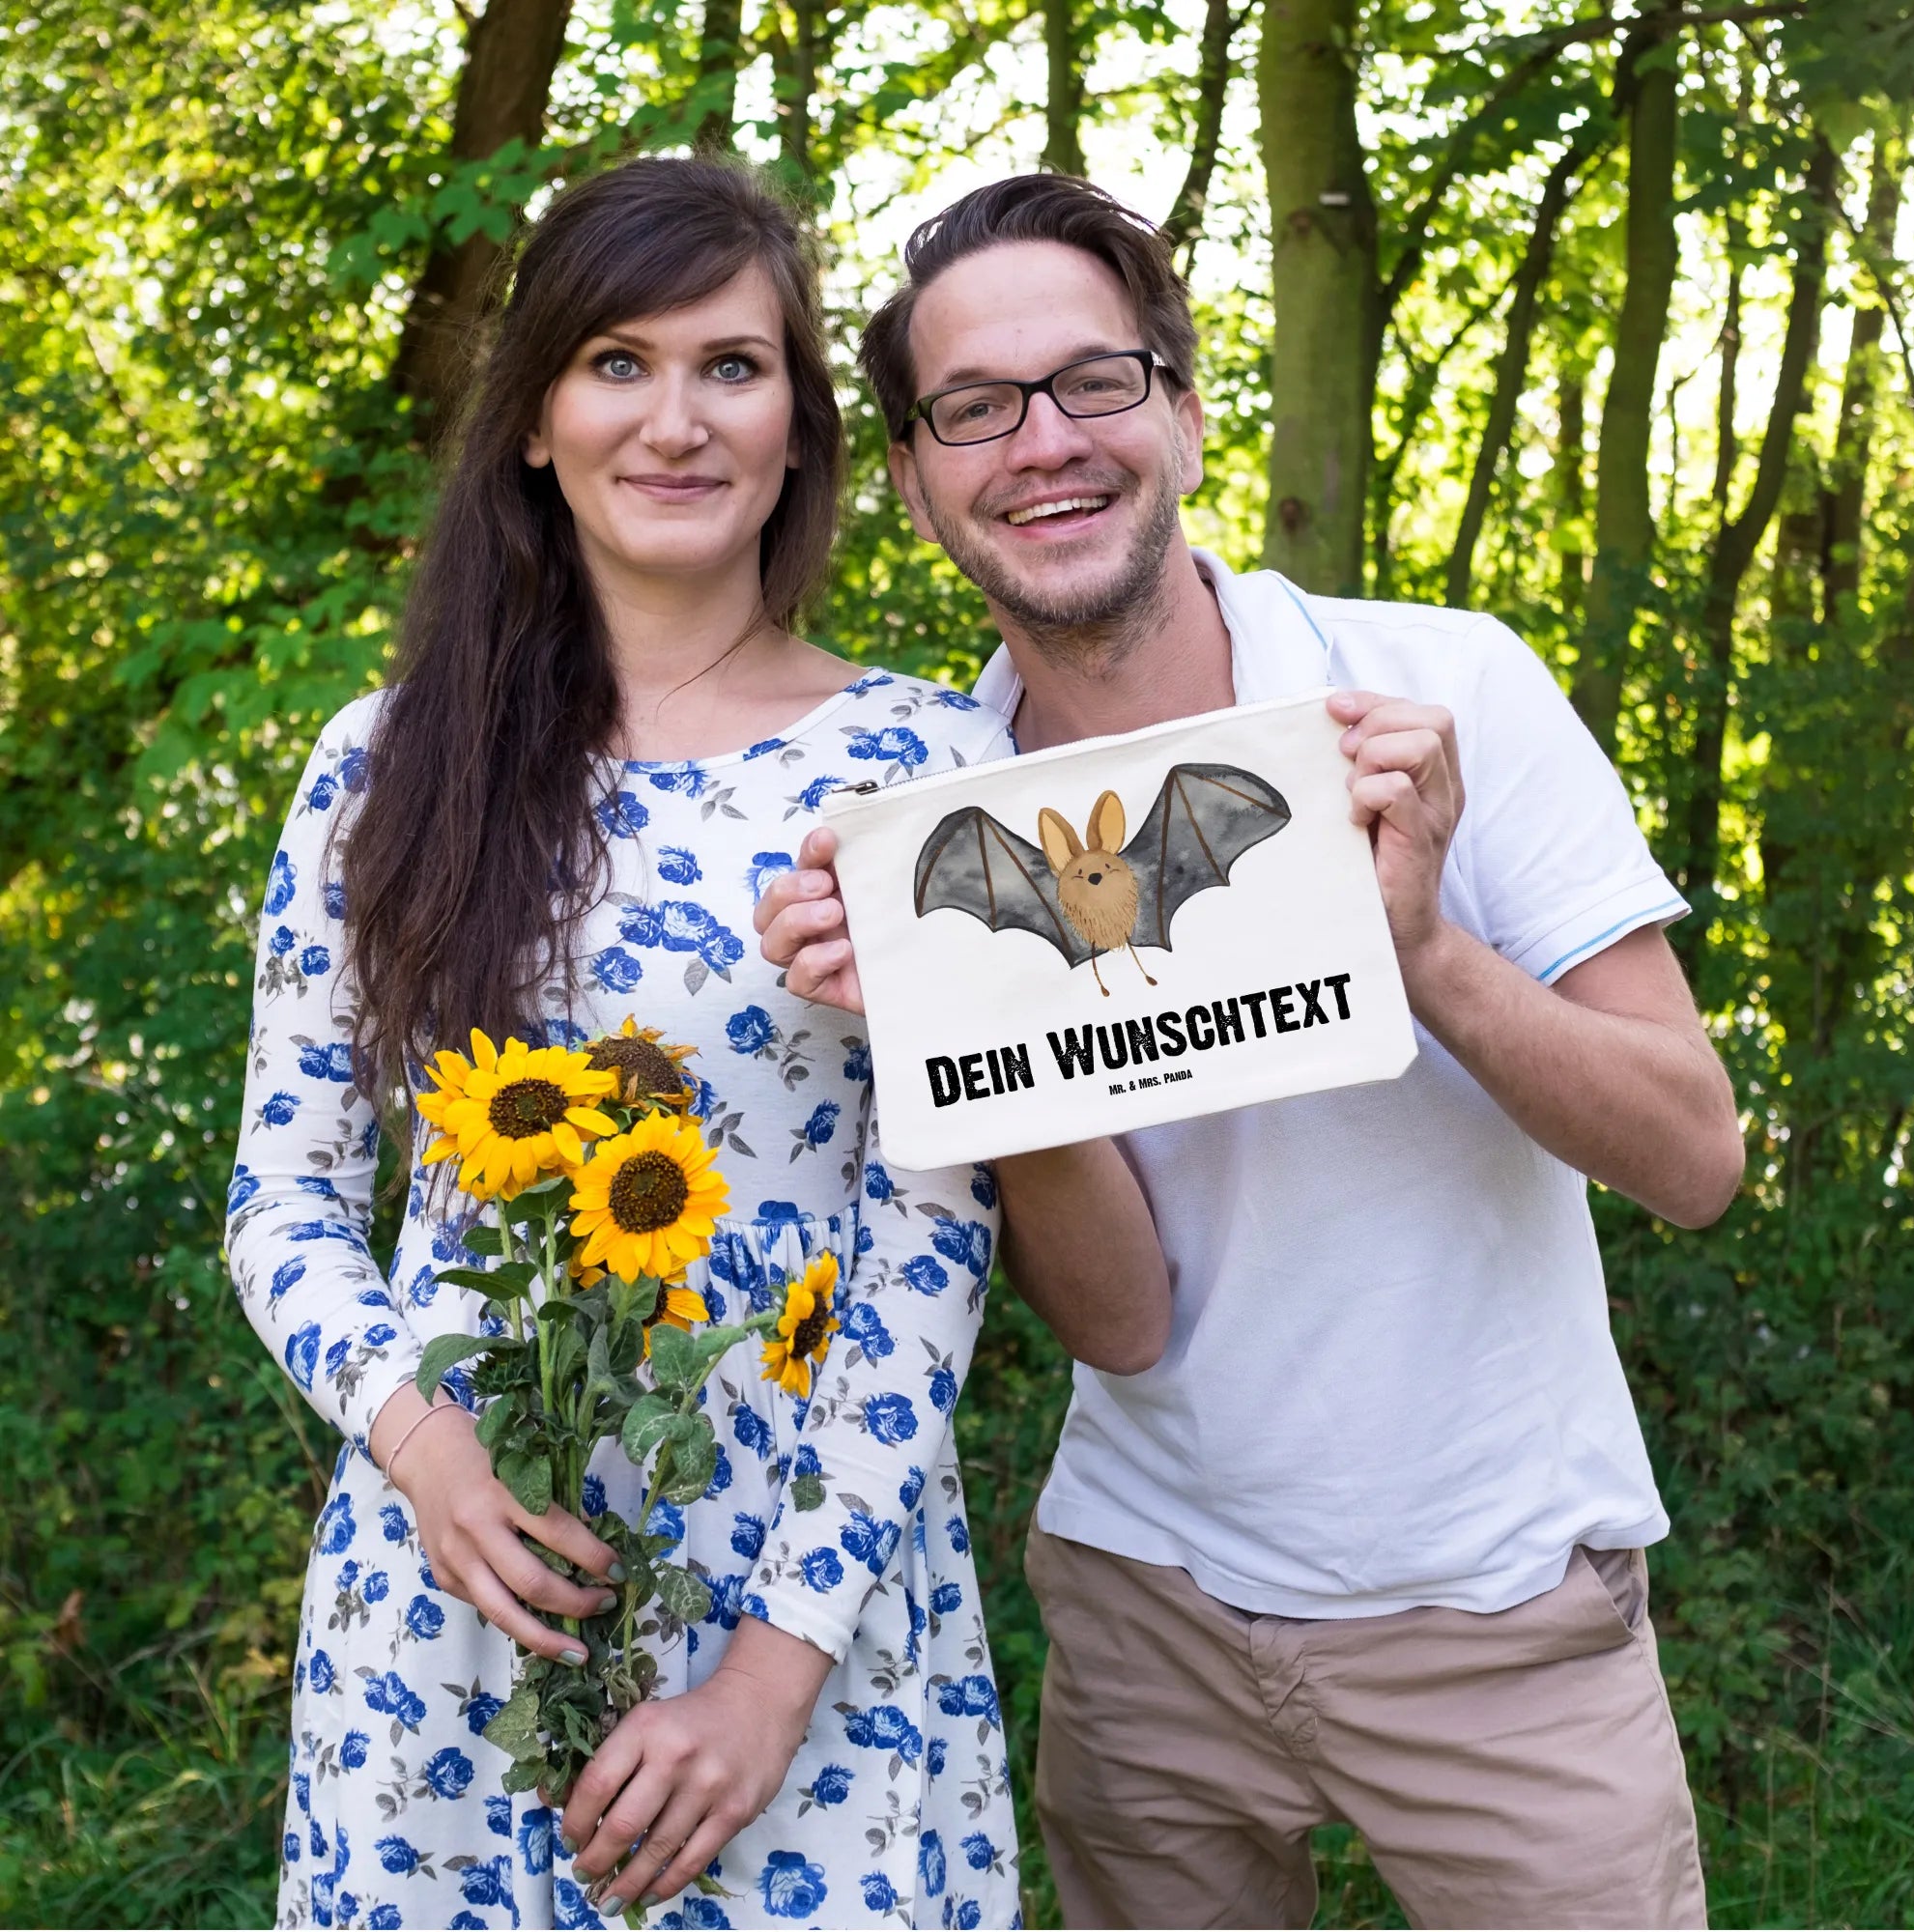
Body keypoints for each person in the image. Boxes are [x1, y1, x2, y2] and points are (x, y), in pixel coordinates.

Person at [755, 174, 1745, 1930]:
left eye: (1094, 381)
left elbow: (1694, 1158)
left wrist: (1423, 948)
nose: (1043, 442)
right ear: (911, 478)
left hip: (1499, 1604)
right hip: (1145, 1605)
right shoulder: (933, 821)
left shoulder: (1436, 692)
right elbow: (1125, 1325)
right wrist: (951, 1041)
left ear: (1186, 410)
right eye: (975, 408)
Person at [227, 156, 1022, 1931]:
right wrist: (423, 1447)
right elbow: (283, 1200)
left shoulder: (923, 773)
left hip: (802, 1598)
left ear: (801, 428)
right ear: (533, 420)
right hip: (452, 1592)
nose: (677, 421)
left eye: (733, 366)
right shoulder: (385, 766)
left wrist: (773, 1673)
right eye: (617, 363)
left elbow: (937, 1236)